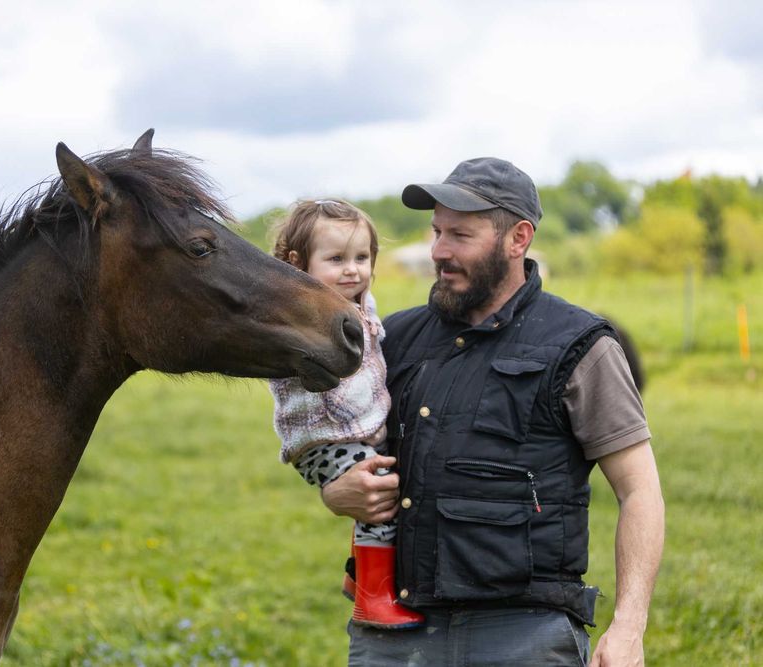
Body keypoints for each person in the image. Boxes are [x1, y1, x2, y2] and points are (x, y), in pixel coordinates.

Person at [320, 159, 665, 666]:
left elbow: (640, 491)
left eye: (460, 235)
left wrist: (629, 627)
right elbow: (343, 439)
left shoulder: (579, 344)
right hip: (395, 633)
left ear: (518, 238)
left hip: (524, 633)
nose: (439, 251)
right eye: (437, 232)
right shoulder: (396, 338)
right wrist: (336, 490)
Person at [269, 199, 424, 629]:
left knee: (380, 491)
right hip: (326, 436)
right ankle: (373, 598)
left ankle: (358, 577)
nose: (352, 270)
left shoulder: (354, 304)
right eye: (336, 259)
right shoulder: (303, 315)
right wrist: (378, 423)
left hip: (350, 431)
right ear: (298, 264)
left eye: (362, 258)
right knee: (379, 498)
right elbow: (343, 387)